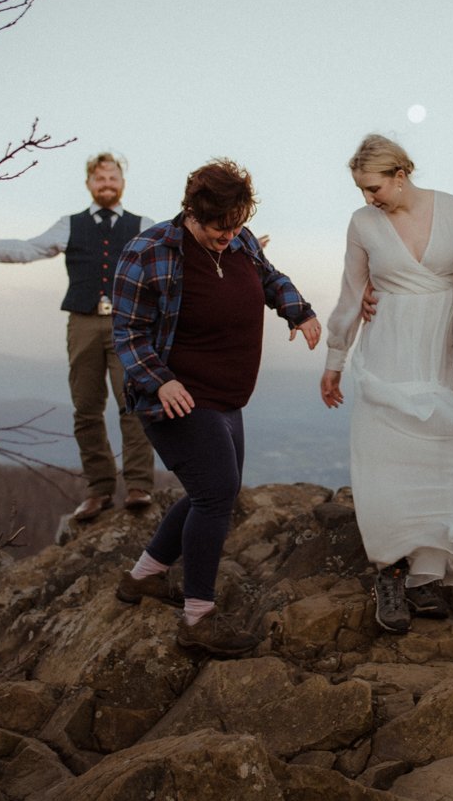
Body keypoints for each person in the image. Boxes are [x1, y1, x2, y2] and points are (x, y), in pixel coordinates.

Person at [109, 160, 321, 658]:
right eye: (218, 227)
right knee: (216, 493)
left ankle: (143, 577)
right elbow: (128, 332)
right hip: (178, 396)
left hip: (228, 397)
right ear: (193, 212)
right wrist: (160, 382)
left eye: (235, 223)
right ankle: (198, 619)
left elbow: (270, 279)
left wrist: (300, 310)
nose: (228, 235)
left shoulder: (240, 239)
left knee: (211, 492)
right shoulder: (149, 252)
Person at [320, 135, 453, 634]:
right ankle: (390, 572)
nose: (367, 197)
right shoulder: (363, 223)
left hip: (441, 349)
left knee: (438, 454)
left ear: (400, 174)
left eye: (373, 186)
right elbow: (352, 293)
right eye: (360, 189)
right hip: (388, 349)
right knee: (387, 456)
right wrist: (335, 358)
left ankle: (427, 575)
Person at [0, 151, 158, 522]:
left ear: (122, 183)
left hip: (129, 324)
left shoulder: (143, 224)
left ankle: (138, 486)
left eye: (112, 179)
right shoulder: (69, 224)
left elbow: (174, 254)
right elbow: (28, 249)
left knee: (134, 403)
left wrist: (232, 250)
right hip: (83, 323)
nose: (106, 185)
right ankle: (100, 489)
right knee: (86, 408)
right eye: (99, 179)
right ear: (89, 183)